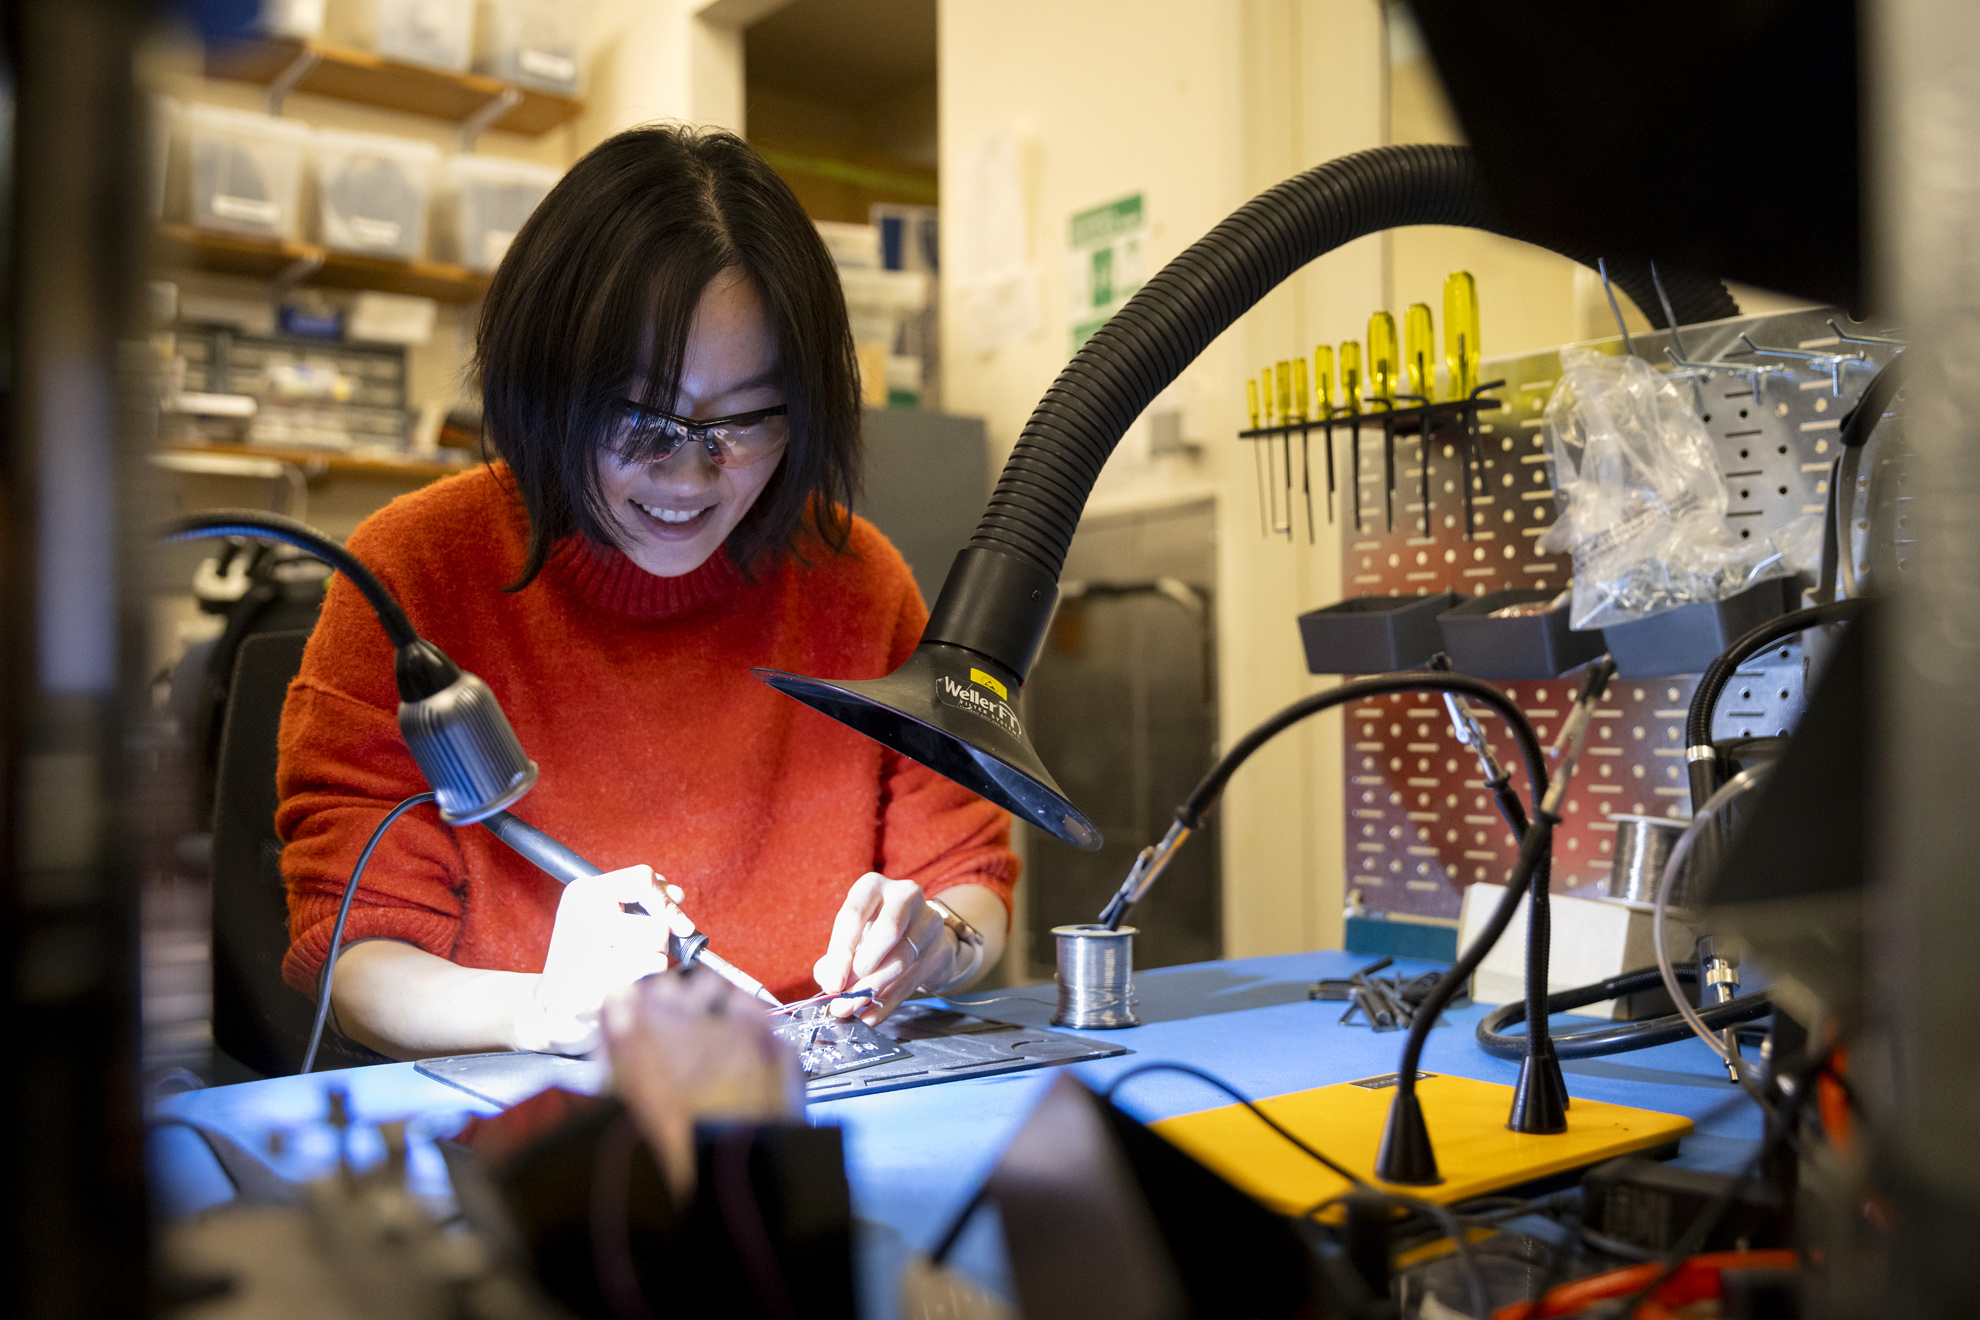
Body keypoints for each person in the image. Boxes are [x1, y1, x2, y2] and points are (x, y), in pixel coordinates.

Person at [274, 125, 1017, 1060]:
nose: (691, 474)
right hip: (528, 1123)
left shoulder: (857, 583)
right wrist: (545, 1012)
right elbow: (360, 956)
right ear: (546, 385)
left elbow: (969, 876)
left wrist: (932, 944)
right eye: (638, 414)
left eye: (746, 418)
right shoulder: (413, 574)